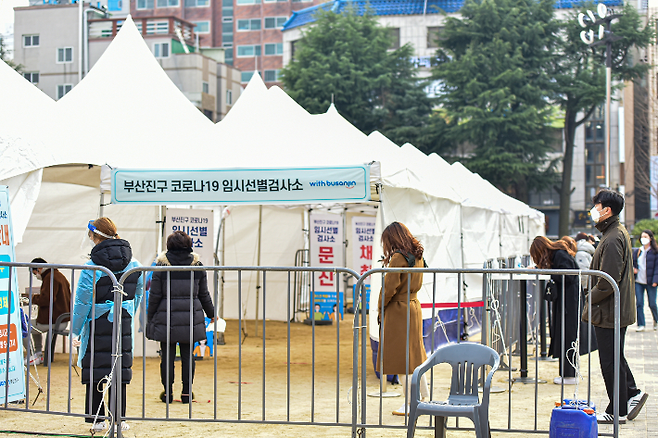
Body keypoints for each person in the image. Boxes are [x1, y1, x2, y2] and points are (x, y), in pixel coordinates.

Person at [71, 218, 143, 433]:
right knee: (119, 369)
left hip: (96, 322)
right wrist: (128, 313)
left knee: (96, 369)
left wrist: (75, 329)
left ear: (94, 236)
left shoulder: (91, 266)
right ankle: (118, 418)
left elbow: (82, 301)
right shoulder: (135, 264)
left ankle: (96, 418)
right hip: (122, 321)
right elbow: (138, 294)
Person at [583, 189, 648, 424]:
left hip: (610, 310)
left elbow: (608, 280)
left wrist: (589, 296)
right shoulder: (615, 232)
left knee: (609, 361)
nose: (593, 211)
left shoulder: (612, 238)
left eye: (596, 206)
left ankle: (617, 409)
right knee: (615, 356)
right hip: (613, 309)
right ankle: (632, 393)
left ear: (606, 210)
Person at [146, 231, 215, 404]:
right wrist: (212, 314)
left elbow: (154, 295)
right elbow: (203, 294)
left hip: (166, 317)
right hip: (190, 317)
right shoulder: (197, 265)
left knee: (167, 357)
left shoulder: (161, 266)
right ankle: (186, 392)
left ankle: (168, 392)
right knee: (187, 356)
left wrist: (151, 316)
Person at [375, 221, 429, 416]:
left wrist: (380, 307)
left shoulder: (399, 257)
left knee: (402, 358)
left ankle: (409, 403)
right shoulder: (417, 255)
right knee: (415, 355)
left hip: (399, 309)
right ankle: (424, 396)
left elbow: (389, 288)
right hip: (414, 305)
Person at [530, 236, 579, 385]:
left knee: (567, 334)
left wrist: (548, 272)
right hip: (567, 299)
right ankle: (568, 373)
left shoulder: (559, 254)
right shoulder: (559, 253)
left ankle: (569, 375)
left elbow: (569, 275)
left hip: (568, 300)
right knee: (565, 334)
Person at [25, 257, 71, 365]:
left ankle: (32, 354)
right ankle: (38, 353)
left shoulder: (50, 278)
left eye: (35, 272)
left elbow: (46, 299)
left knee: (23, 326)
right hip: (61, 319)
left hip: (55, 320)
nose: (36, 275)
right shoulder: (57, 275)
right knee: (32, 323)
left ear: (39, 268)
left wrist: (31, 298)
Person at [632, 230, 658, 332]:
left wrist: (656, 280)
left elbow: (656, 268)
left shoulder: (655, 252)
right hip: (639, 281)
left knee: (652, 303)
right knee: (639, 303)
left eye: (646, 236)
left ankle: (656, 320)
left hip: (651, 281)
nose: (643, 238)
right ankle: (641, 324)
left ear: (650, 238)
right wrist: (634, 268)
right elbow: (633, 263)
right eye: (642, 236)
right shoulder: (638, 251)